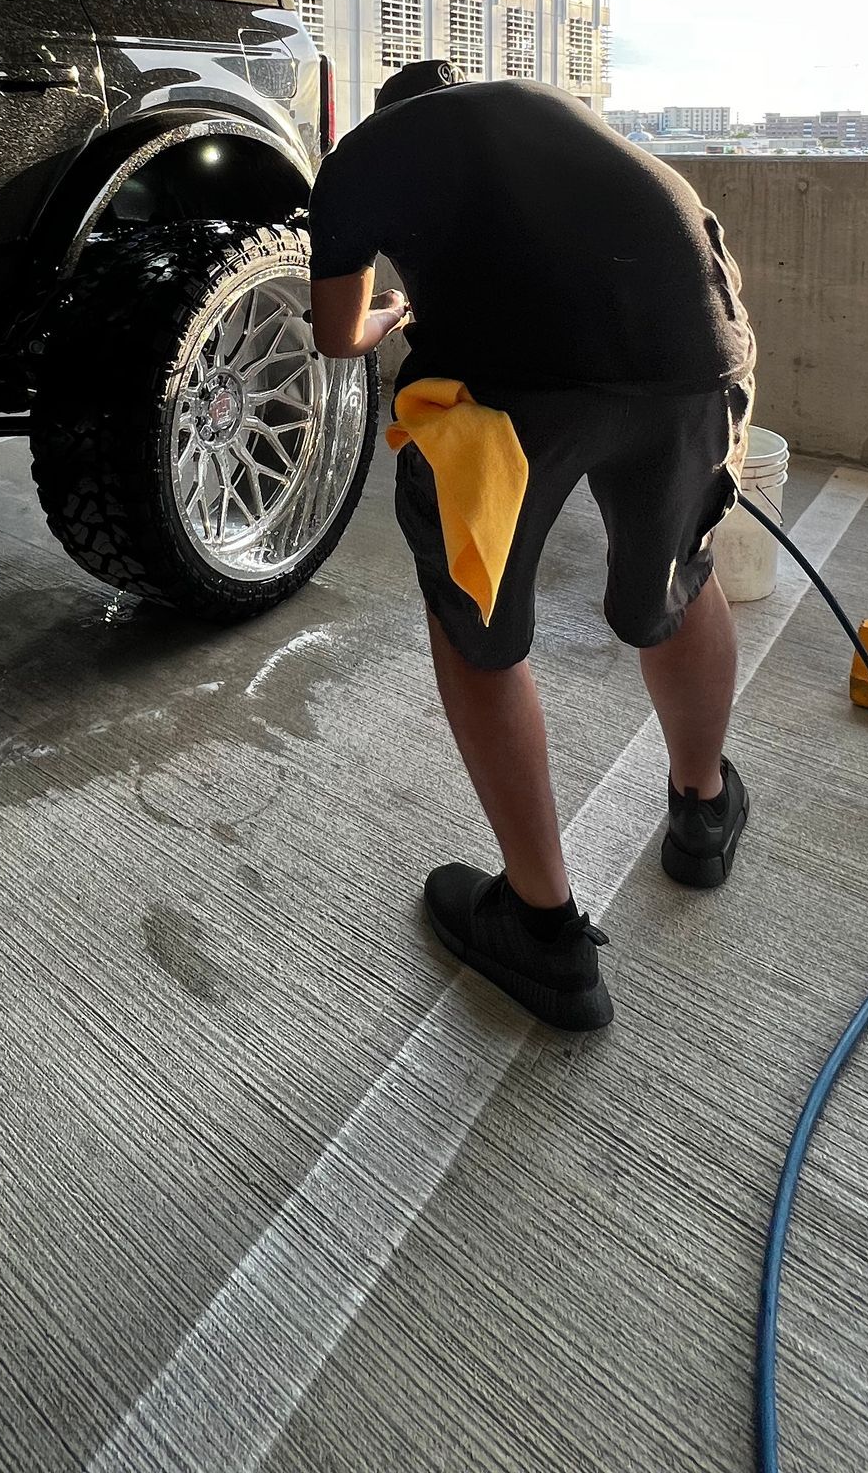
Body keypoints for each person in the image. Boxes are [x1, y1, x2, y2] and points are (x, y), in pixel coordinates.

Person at [307, 61, 756, 1033]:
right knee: (673, 579)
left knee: (476, 624)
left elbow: (338, 334)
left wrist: (397, 312)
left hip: (510, 382)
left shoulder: (361, 159)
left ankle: (544, 930)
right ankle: (703, 805)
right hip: (691, 339)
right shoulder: (550, 110)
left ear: (389, 113)